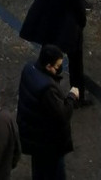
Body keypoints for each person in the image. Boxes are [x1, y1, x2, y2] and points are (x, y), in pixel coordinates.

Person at [19, 0, 89, 104]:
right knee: (75, 61)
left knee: (47, 57)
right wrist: (81, 22)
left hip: (47, 24)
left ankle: (42, 85)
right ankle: (78, 94)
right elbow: (80, 6)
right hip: (68, 28)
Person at [17, 44, 79, 180]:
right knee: (55, 172)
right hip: (49, 142)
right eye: (57, 66)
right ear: (48, 66)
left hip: (34, 136)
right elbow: (63, 114)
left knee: (39, 169)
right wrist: (71, 97)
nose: (60, 69)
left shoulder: (29, 69)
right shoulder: (47, 89)